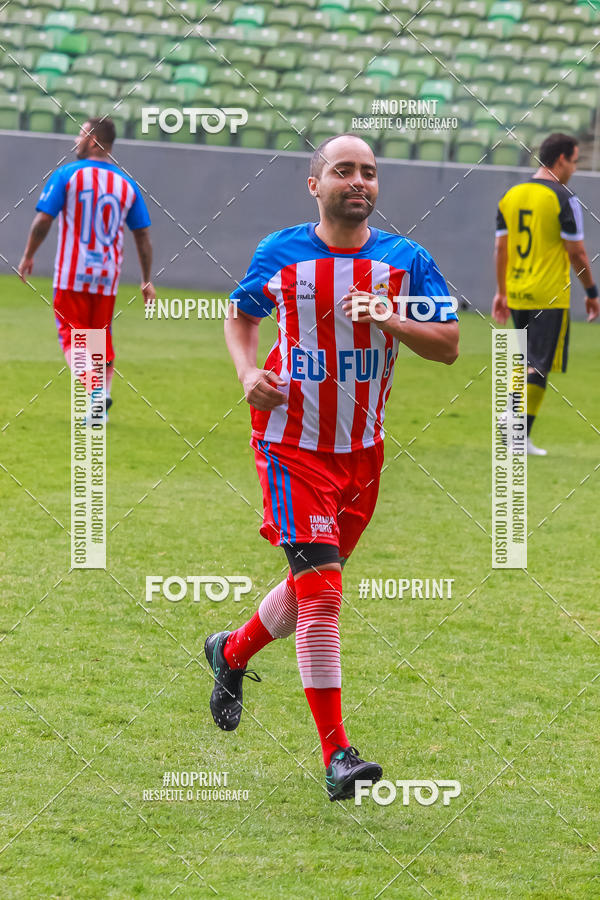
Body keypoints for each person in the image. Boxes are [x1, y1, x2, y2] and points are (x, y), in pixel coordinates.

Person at [205, 133, 459, 801]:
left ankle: (230, 653)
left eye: (369, 173)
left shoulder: (407, 261)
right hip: (290, 444)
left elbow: (451, 347)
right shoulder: (280, 253)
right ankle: (337, 755)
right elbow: (240, 318)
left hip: (363, 455)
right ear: (313, 185)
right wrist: (247, 371)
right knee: (322, 596)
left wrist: (392, 321)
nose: (359, 181)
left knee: (311, 589)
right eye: (343, 170)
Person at [18, 116, 156, 422]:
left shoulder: (67, 174)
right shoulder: (126, 184)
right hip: (107, 276)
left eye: (80, 135)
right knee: (98, 339)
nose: (76, 141)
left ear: (93, 140)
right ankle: (101, 404)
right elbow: (142, 235)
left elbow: (43, 220)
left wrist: (28, 254)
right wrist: (146, 279)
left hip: (72, 273)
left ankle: (94, 391)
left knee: (72, 337)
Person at [492, 132, 599, 455]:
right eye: (575, 160)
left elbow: (501, 248)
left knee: (527, 361)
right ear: (561, 159)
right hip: (549, 294)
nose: (575, 168)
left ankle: (515, 428)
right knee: (538, 364)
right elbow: (577, 254)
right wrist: (592, 292)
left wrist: (501, 292)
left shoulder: (511, 194)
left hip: (518, 290)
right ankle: (515, 425)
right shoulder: (564, 198)